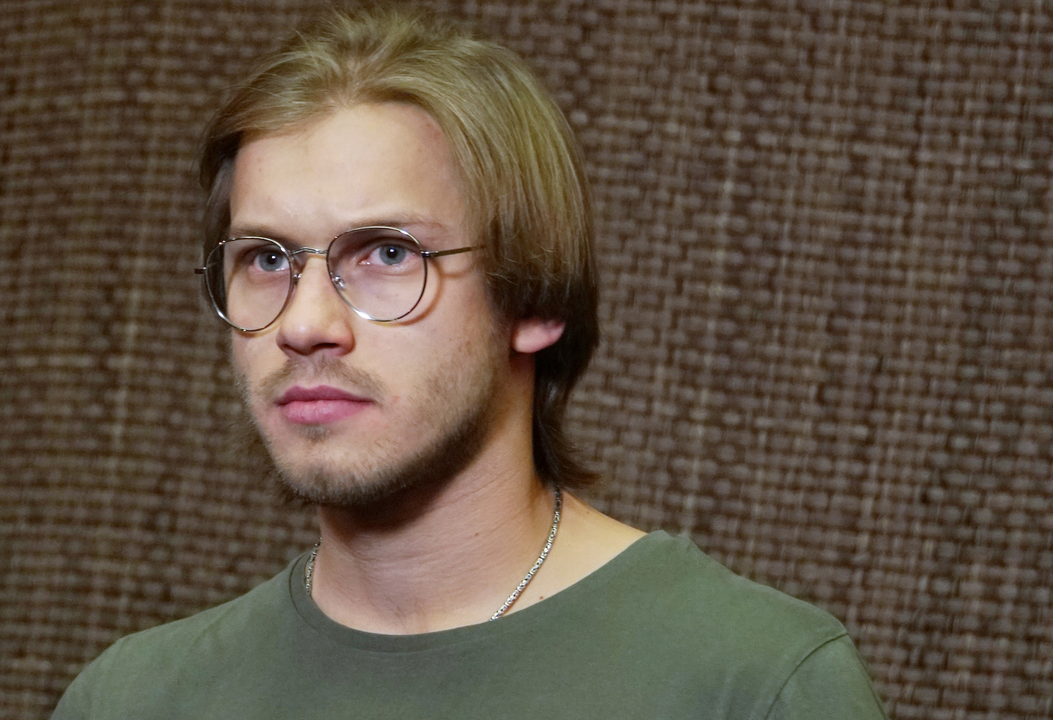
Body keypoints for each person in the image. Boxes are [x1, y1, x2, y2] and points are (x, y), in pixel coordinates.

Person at [52, 9, 888, 719]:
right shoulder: (131, 699)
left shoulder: (754, 685)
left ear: (534, 300)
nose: (304, 324)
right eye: (267, 259)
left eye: (387, 253)